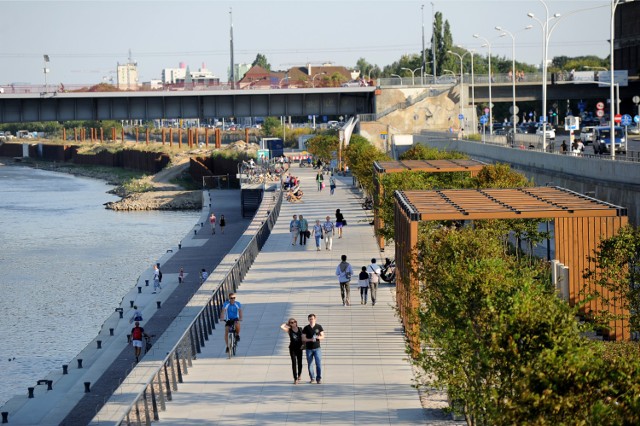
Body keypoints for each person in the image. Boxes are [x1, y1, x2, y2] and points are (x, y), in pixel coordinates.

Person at [302, 314, 325, 384]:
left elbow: (323, 336)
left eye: (312, 319)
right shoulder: (306, 328)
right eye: (310, 319)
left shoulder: (319, 326)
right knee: (310, 364)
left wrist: (318, 337)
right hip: (309, 349)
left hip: (317, 348)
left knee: (318, 364)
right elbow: (303, 338)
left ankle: (318, 378)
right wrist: (310, 339)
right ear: (308, 320)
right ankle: (312, 378)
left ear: (315, 319)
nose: (311, 320)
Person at [280, 318, 304, 384]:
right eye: (291, 322)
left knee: (300, 362)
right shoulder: (289, 330)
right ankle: (295, 378)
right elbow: (281, 326)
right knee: (294, 363)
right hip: (292, 348)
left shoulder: (300, 329)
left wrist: (304, 345)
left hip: (299, 348)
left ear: (296, 322)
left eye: (294, 322)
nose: (293, 323)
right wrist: (287, 324)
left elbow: (303, 338)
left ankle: (299, 374)